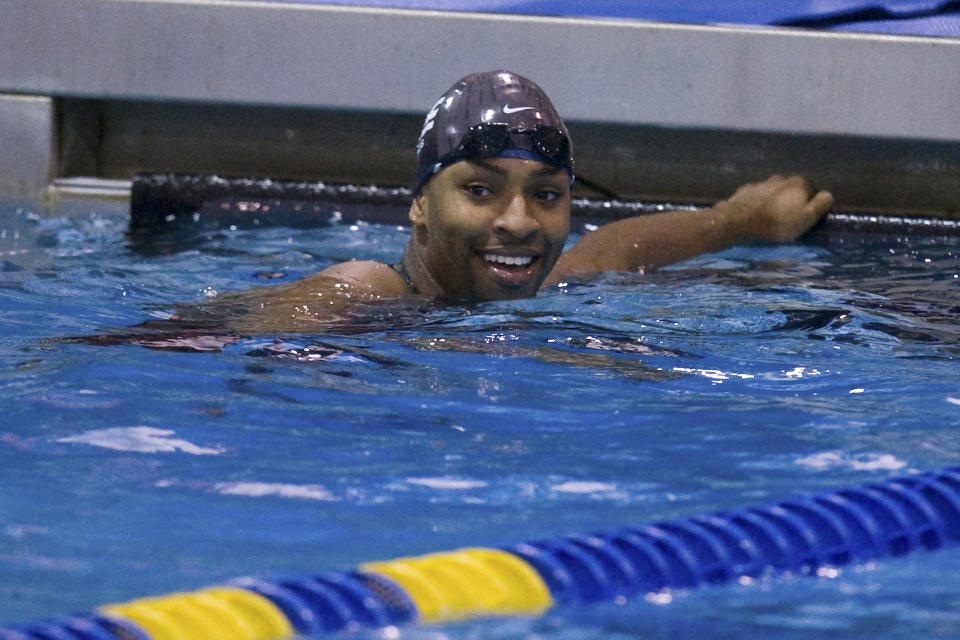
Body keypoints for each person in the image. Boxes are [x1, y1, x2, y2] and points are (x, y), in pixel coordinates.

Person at [251, 70, 832, 314]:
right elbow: (182, 340)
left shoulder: (540, 284)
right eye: (480, 190)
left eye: (548, 195)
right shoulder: (373, 291)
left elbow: (612, 251)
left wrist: (742, 218)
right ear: (420, 203)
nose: (520, 221)